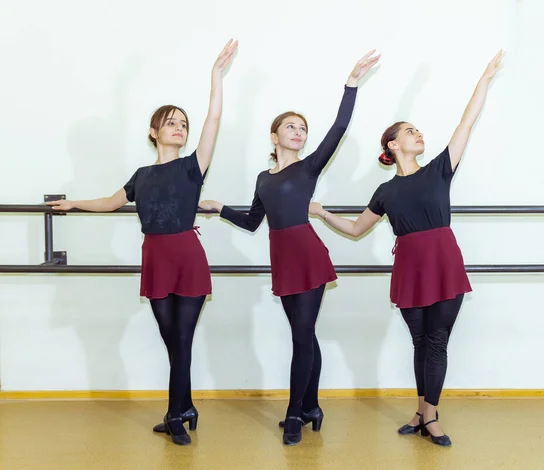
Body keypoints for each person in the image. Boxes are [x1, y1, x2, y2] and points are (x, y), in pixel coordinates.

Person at [45, 39, 239, 446]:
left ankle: (174, 416)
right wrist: (75, 203)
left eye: (183, 123)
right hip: (155, 257)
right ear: (154, 132)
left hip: (186, 256)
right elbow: (111, 201)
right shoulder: (141, 175)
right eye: (171, 122)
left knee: (182, 339)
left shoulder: (193, 167)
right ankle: (184, 406)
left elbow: (215, 120)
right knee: (173, 341)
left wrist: (216, 76)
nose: (180, 127)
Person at [308, 50, 505, 447]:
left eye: (418, 130)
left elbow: (466, 121)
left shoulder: (439, 170)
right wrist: (321, 212)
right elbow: (357, 228)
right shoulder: (385, 191)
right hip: (411, 270)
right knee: (420, 343)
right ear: (393, 145)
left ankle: (429, 416)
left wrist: (483, 79)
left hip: (444, 263)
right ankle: (422, 412)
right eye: (410, 131)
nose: (419, 135)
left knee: (437, 341)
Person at [198, 50, 380, 446]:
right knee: (306, 335)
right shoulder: (264, 178)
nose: (299, 132)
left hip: (309, 257)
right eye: (291, 127)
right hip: (282, 259)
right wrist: (218, 207)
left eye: (302, 128)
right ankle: (312, 405)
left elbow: (339, 126)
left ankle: (294, 412)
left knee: (301, 337)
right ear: (274, 135)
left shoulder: (309, 166)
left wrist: (351, 83)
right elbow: (251, 221)